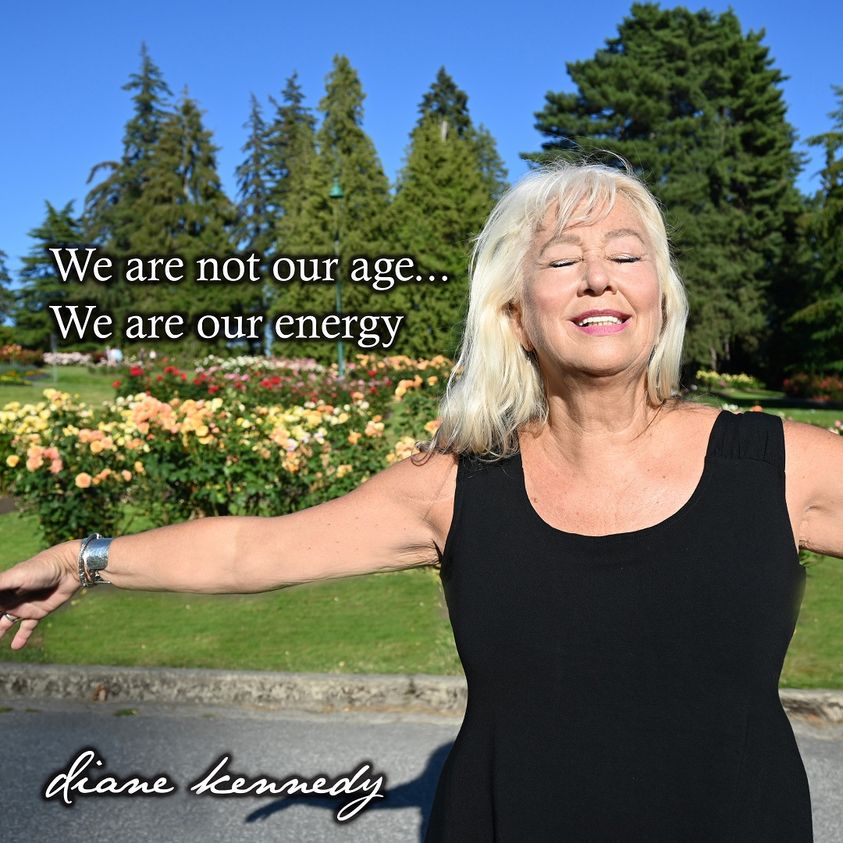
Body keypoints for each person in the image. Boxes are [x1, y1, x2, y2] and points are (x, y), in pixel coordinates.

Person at [1, 162, 841, 842]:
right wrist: (84, 558)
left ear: (658, 295)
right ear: (514, 312)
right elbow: (251, 550)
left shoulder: (776, 466)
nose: (596, 277)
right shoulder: (456, 483)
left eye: (626, 255)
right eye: (560, 260)